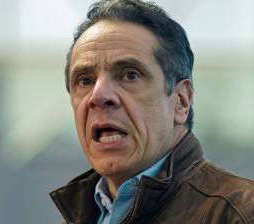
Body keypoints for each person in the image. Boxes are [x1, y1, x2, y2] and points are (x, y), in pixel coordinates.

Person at [49, 0, 254, 223]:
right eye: (85, 80)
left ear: (181, 101)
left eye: (130, 75)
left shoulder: (240, 214)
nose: (98, 96)